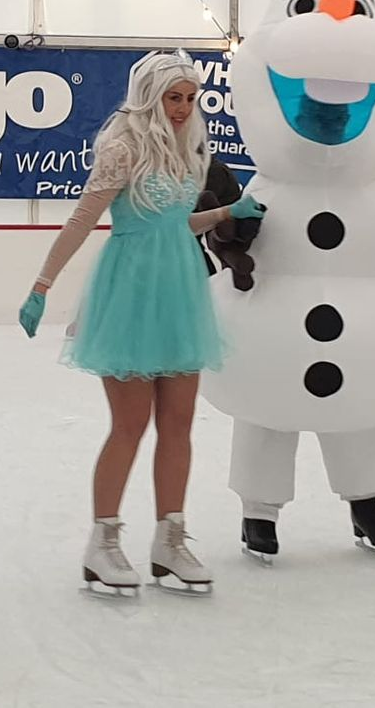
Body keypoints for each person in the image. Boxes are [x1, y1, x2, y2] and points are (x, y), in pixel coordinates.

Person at [19, 50, 264, 594]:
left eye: (190, 98)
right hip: (130, 290)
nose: (182, 108)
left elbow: (176, 225)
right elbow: (83, 219)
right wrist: (41, 286)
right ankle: (103, 544)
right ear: (150, 96)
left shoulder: (188, 149)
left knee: (178, 422)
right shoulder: (123, 146)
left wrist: (227, 213)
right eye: (173, 97)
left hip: (179, 290)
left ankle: (169, 541)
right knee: (129, 424)